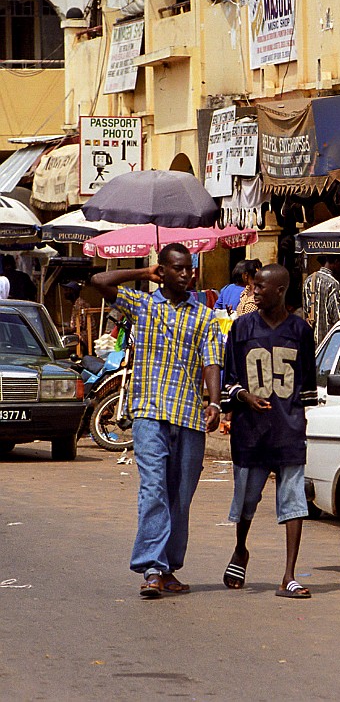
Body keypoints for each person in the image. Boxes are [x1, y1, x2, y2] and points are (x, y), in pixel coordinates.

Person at [90, 243, 224, 599]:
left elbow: (211, 360)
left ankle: (167, 568)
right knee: (153, 488)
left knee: (181, 495)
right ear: (162, 271)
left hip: (189, 414)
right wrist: (141, 273)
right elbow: (99, 280)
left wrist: (214, 402)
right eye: (177, 268)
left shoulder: (205, 315)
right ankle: (150, 566)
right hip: (150, 413)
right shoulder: (143, 304)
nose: (186, 274)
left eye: (189, 268)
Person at [221, 264, 317, 598]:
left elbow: (307, 385)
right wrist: (243, 396)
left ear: (279, 290)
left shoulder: (301, 331)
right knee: (247, 499)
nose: (254, 292)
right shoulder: (242, 328)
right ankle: (241, 548)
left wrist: (301, 421)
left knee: (293, 500)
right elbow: (228, 379)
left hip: (288, 428)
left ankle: (288, 575)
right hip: (250, 430)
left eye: (260, 287)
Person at [302, 254, 340, 347]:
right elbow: (338, 318)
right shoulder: (333, 283)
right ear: (336, 262)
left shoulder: (308, 280)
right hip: (327, 343)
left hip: (309, 341)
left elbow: (306, 311)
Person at [60, 281, 95, 354]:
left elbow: (80, 327)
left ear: (72, 291)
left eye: (66, 290)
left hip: (84, 338)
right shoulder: (76, 304)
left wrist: (63, 332)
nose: (64, 293)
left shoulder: (80, 305)